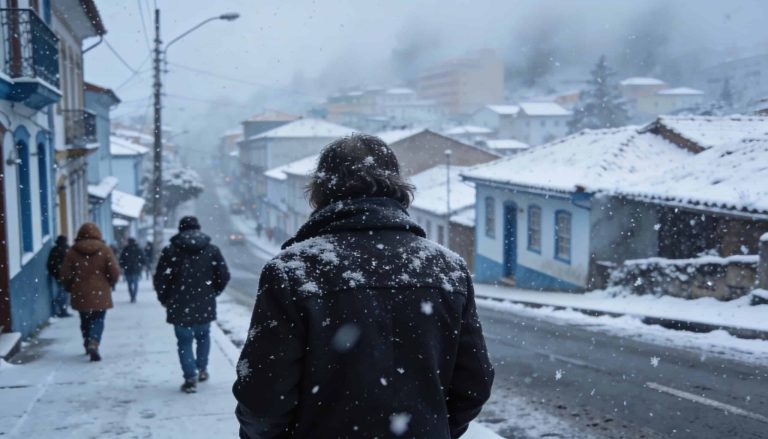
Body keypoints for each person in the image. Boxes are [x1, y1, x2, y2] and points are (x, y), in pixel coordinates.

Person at [233, 134, 495, 439]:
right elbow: (473, 384)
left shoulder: (292, 272)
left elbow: (264, 396)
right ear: (398, 188)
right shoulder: (448, 269)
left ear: (320, 191)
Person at [154, 216, 230, 393]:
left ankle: (190, 377)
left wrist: (165, 299)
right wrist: (212, 292)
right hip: (204, 302)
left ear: (180, 230)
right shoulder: (211, 250)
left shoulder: (170, 251)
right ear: (198, 228)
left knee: (184, 341)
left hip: (179, 304)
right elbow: (224, 275)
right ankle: (202, 369)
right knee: (203, 336)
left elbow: (160, 279)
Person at [59, 223, 120, 362]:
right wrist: (110, 283)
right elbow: (114, 271)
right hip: (101, 292)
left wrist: (70, 286)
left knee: (85, 319)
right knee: (98, 319)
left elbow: (65, 273)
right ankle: (94, 341)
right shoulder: (105, 250)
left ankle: (87, 341)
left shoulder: (72, 252)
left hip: (80, 292)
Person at [46, 235, 71, 317]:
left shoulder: (55, 250)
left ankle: (59, 309)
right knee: (63, 293)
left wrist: (54, 273)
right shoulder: (66, 249)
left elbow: (50, 264)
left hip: (58, 275)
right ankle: (62, 310)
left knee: (61, 292)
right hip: (63, 275)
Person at [119, 238, 145, 303]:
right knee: (135, 283)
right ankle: (134, 296)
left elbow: (121, 259)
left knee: (129, 284)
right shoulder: (138, 249)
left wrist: (122, 266)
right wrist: (142, 265)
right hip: (136, 268)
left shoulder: (126, 249)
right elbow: (142, 258)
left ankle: (132, 296)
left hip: (128, 269)